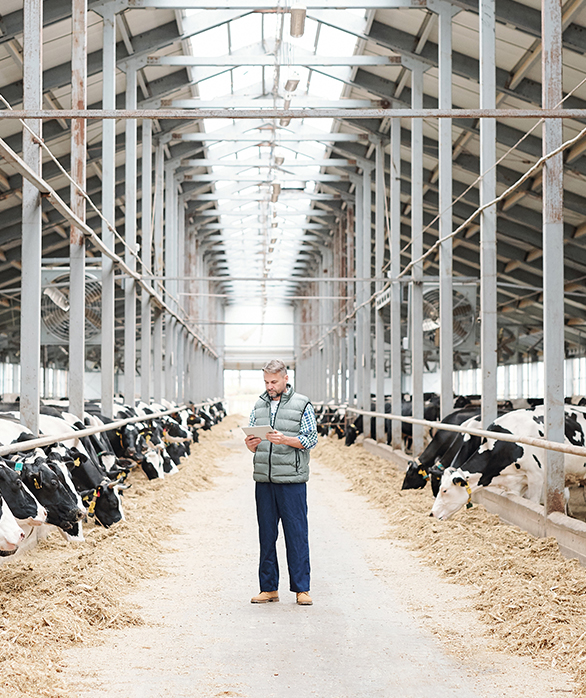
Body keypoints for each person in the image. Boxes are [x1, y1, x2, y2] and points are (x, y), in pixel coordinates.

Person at [244, 359, 317, 606]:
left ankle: (302, 589)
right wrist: (251, 445)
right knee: (266, 534)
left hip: (292, 481)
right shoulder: (258, 404)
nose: (269, 386)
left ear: (286, 378)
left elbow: (310, 439)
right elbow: (253, 439)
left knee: (296, 534)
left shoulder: (302, 404)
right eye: (266, 381)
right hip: (264, 479)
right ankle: (268, 588)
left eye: (273, 381)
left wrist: (285, 440)